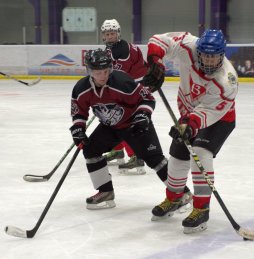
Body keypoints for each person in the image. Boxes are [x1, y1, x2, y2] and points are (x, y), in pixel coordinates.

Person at [70, 48, 192, 210]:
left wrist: (142, 116)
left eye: (106, 71)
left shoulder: (122, 82)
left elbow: (147, 98)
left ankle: (182, 193)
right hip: (110, 127)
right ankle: (105, 192)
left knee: (155, 160)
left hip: (135, 124)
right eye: (98, 72)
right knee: (91, 150)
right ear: (90, 71)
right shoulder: (81, 89)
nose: (103, 76)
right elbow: (79, 111)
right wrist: (78, 129)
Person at [143, 30, 238, 234]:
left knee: (200, 154)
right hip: (188, 113)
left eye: (214, 56)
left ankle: (201, 208)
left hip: (218, 119)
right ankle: (175, 198)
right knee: (177, 156)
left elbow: (208, 112)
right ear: (199, 51)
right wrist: (155, 61)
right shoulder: (189, 45)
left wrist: (189, 124)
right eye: (205, 55)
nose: (209, 60)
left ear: (222, 55)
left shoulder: (226, 82)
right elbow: (159, 39)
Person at [100, 19, 148, 174]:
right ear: (103, 36)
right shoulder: (111, 48)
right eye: (107, 34)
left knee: (122, 123)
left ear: (118, 33)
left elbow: (120, 75)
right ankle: (118, 151)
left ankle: (136, 157)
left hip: (133, 90)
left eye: (113, 33)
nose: (110, 36)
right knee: (110, 120)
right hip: (127, 87)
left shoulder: (122, 49)